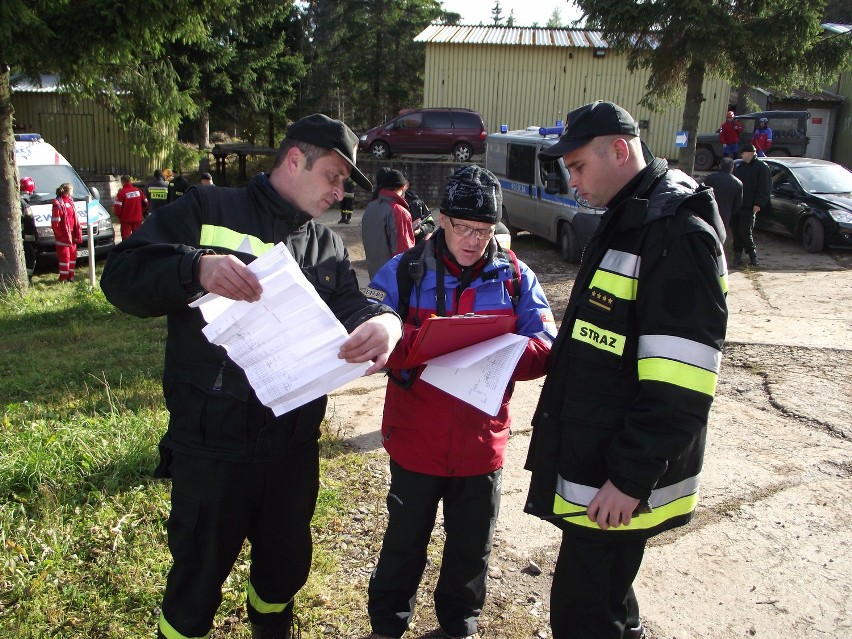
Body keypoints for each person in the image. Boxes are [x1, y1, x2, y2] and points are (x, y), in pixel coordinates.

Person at [99, 113, 403, 639]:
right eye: (333, 176)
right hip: (211, 444)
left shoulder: (324, 245)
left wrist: (385, 324)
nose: (338, 192)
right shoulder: (207, 208)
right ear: (293, 159)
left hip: (291, 447)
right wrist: (195, 268)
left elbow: (354, 306)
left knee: (283, 569)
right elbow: (121, 276)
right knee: (196, 579)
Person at [524, 101, 728, 639]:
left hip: (618, 479)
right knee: (601, 605)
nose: (572, 183)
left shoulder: (674, 231)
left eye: (577, 167)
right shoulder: (632, 216)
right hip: (602, 467)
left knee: (585, 614)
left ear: (619, 150)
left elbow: (681, 379)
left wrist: (630, 478)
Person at [362, 165, 556, 639]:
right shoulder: (403, 272)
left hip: (480, 443)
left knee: (472, 547)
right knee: (404, 542)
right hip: (416, 440)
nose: (473, 241)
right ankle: (387, 626)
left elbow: (547, 347)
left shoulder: (515, 275)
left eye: (485, 231)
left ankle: (459, 625)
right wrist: (430, 345)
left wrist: (495, 350)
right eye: (464, 228)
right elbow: (370, 339)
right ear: (442, 221)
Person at [361, 168, 415, 279]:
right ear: (403, 187)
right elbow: (404, 251)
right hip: (393, 278)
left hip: (374, 273)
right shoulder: (399, 211)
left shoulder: (371, 207)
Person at [731, 143, 772, 267]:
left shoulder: (762, 167)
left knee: (745, 232)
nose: (742, 156)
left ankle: (753, 257)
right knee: (736, 232)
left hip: (750, 206)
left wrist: (759, 203)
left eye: (743, 154)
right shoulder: (741, 167)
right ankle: (737, 256)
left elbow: (765, 187)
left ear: (749, 153)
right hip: (738, 206)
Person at [701, 156, 742, 258]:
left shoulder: (710, 178)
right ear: (732, 167)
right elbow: (738, 204)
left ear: (720, 166)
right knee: (720, 240)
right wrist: (730, 212)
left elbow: (700, 194)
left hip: (708, 212)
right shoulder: (737, 183)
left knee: (706, 236)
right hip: (725, 215)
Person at [51, 182, 82, 283]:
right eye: (71, 190)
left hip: (72, 234)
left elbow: (74, 218)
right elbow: (55, 222)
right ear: (67, 190)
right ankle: (63, 278)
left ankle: (71, 276)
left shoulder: (70, 202)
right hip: (64, 236)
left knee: (73, 256)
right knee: (65, 257)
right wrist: (59, 234)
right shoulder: (58, 203)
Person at [113, 174, 149, 240]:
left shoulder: (121, 193)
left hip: (126, 220)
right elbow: (146, 203)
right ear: (130, 181)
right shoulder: (138, 191)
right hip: (137, 219)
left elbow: (117, 208)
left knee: (126, 240)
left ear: (122, 182)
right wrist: (141, 211)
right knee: (137, 238)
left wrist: (120, 216)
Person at [403, 180, 435, 245]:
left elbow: (430, 224)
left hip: (416, 247)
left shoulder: (417, 203)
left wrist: (420, 231)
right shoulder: (386, 205)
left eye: (401, 184)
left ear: (407, 185)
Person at [20, 176, 38, 278]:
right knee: (30, 259)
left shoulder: (16, 200)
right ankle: (27, 280)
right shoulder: (25, 205)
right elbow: (30, 223)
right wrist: (35, 237)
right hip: (26, 238)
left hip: (21, 237)